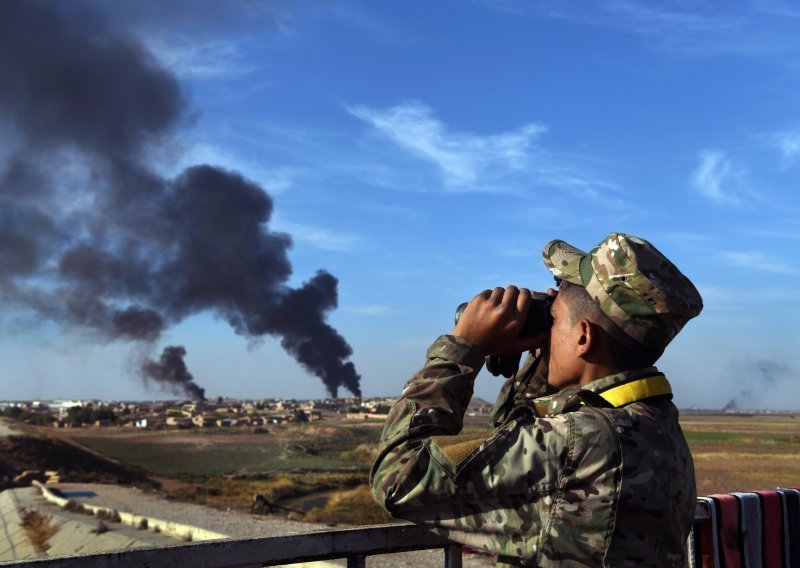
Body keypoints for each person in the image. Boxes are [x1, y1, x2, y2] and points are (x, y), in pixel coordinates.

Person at [370, 233, 703, 567]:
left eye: (553, 318)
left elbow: (398, 477)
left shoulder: (581, 443)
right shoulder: (657, 427)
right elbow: (513, 442)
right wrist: (546, 354)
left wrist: (462, 348)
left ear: (583, 337)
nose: (548, 325)